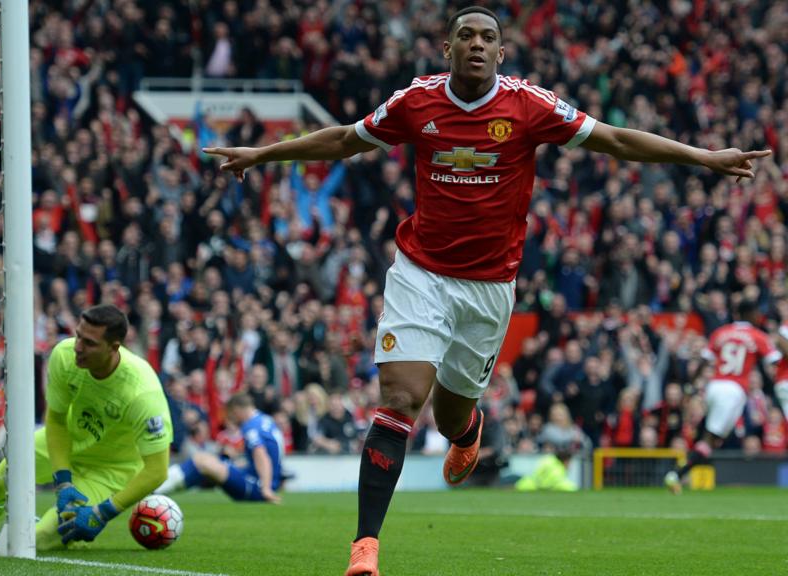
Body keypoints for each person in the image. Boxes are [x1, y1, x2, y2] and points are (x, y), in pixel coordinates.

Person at [203, 6, 771, 575]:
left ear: (502, 53)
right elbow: (344, 142)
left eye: (488, 38)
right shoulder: (415, 101)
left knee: (451, 417)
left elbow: (617, 140)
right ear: (447, 49)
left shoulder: (529, 105)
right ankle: (365, 547)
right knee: (400, 400)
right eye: (465, 36)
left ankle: (468, 431)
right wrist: (263, 153)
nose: (476, 44)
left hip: (489, 288)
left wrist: (703, 157)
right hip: (420, 272)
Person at [0, 304, 172, 550]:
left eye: (89, 343)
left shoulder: (142, 393)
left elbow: (158, 470)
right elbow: (56, 419)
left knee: (39, 538)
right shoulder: (64, 356)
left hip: (110, 469)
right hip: (65, 440)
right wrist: (63, 481)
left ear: (114, 347)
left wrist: (103, 512)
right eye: (78, 336)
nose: (78, 347)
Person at [664, 300, 779, 494]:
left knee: (713, 438)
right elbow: (775, 360)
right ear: (751, 314)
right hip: (733, 391)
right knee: (711, 438)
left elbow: (703, 360)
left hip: (714, 386)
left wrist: (690, 385)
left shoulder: (721, 332)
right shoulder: (758, 336)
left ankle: (681, 472)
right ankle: (676, 474)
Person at [156, 393, 283, 503]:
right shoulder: (265, 420)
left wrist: (266, 489)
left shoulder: (250, 427)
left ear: (237, 409)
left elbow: (260, 454)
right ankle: (158, 490)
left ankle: (154, 489)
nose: (233, 419)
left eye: (232, 414)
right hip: (259, 480)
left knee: (201, 461)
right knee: (206, 461)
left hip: (257, 486)